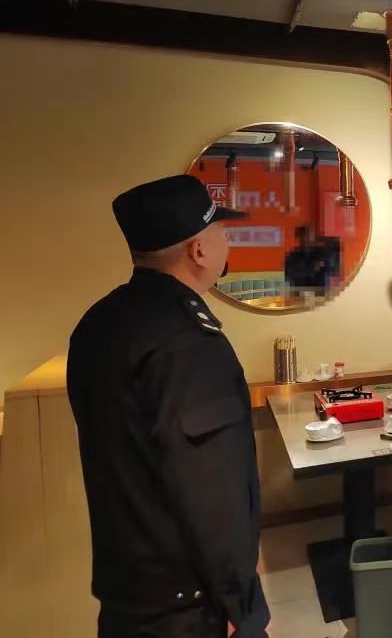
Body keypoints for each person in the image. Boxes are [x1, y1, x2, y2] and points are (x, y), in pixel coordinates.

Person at [67, 175, 270, 638]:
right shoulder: (189, 343)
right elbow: (211, 492)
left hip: (127, 592)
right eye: (220, 231)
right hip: (186, 608)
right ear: (198, 250)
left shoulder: (100, 322)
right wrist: (243, 608)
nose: (226, 240)